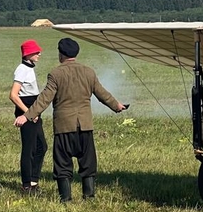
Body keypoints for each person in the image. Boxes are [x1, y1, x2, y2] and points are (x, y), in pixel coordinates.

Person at [15, 38, 127, 202]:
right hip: (85, 125)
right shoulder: (89, 72)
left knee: (62, 164)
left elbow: (44, 99)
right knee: (88, 162)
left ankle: (65, 198)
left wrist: (26, 116)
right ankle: (89, 196)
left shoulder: (56, 74)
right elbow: (101, 93)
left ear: (61, 55)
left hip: (64, 126)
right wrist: (116, 105)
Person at [9, 39, 48, 195]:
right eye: (36, 52)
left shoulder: (29, 68)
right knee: (29, 149)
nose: (39, 54)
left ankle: (33, 180)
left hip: (33, 111)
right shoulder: (22, 69)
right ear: (28, 54)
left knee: (41, 146)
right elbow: (13, 95)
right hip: (28, 111)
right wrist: (28, 113)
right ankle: (27, 185)